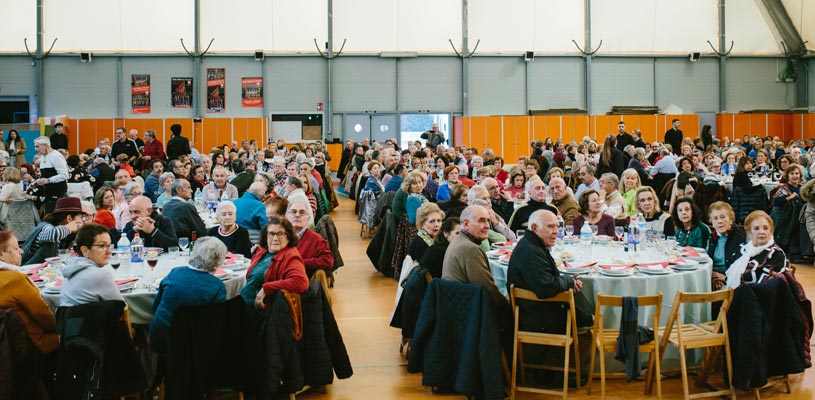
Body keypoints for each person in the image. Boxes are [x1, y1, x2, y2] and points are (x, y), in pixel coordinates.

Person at [507, 209, 593, 336]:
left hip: (534, 312)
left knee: (585, 314)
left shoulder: (531, 244)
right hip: (538, 319)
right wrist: (569, 281)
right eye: (550, 227)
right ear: (534, 228)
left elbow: (545, 280)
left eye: (557, 227)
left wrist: (568, 281)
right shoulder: (532, 252)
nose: (556, 231)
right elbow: (546, 288)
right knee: (595, 319)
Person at [149, 237, 227, 353]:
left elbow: (155, 305)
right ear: (218, 261)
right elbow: (217, 321)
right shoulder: (217, 285)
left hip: (161, 337)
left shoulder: (175, 272)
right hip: (194, 344)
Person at [0, 231, 59, 354]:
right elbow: (42, 314)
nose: (21, 251)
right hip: (32, 342)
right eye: (16, 248)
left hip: (7, 345)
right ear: (1, 254)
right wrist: (60, 327)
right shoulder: (16, 279)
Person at [442, 206, 507, 310]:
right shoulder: (470, 249)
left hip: (455, 306)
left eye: (488, 221)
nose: (487, 226)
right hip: (468, 311)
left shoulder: (458, 241)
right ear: (466, 224)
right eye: (481, 221)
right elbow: (488, 290)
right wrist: (508, 306)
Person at [243, 217, 309, 312]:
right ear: (266, 236)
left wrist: (266, 288)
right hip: (245, 302)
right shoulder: (263, 251)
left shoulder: (290, 256)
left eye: (280, 234)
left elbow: (301, 282)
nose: (275, 238)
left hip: (260, 310)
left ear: (288, 236)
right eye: (271, 234)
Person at [60, 223, 124, 306]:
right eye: (102, 246)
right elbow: (122, 308)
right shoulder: (101, 275)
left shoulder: (70, 269)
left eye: (109, 246)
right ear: (85, 250)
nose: (109, 251)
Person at [725, 211, 789, 289]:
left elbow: (767, 286)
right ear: (749, 233)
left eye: (765, 228)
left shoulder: (776, 254)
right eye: (756, 228)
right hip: (733, 291)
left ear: (771, 231)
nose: (762, 232)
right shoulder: (742, 248)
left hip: (758, 295)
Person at [22, 197, 85, 264]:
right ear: (69, 218)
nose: (83, 220)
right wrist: (69, 228)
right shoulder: (47, 227)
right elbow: (50, 235)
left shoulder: (65, 232)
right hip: (30, 267)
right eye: (81, 217)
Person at [706, 202, 747, 291]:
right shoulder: (712, 237)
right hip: (712, 277)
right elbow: (707, 259)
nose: (719, 221)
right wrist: (712, 276)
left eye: (723, 217)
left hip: (731, 281)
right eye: (715, 218)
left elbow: (743, 267)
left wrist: (725, 278)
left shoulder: (741, 236)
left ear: (731, 219)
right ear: (711, 222)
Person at [285, 202, 334, 276]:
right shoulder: (280, 236)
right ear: (286, 217)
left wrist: (299, 263)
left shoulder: (316, 239)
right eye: (293, 212)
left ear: (308, 218)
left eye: (302, 212)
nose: (297, 215)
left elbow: (328, 261)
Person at [33, 136, 69, 214]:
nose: (35, 149)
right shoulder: (43, 158)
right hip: (48, 192)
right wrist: (37, 182)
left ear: (45, 145)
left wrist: (49, 180)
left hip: (58, 193)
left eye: (37, 146)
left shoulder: (56, 156)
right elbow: (45, 176)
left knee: (53, 217)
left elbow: (64, 175)